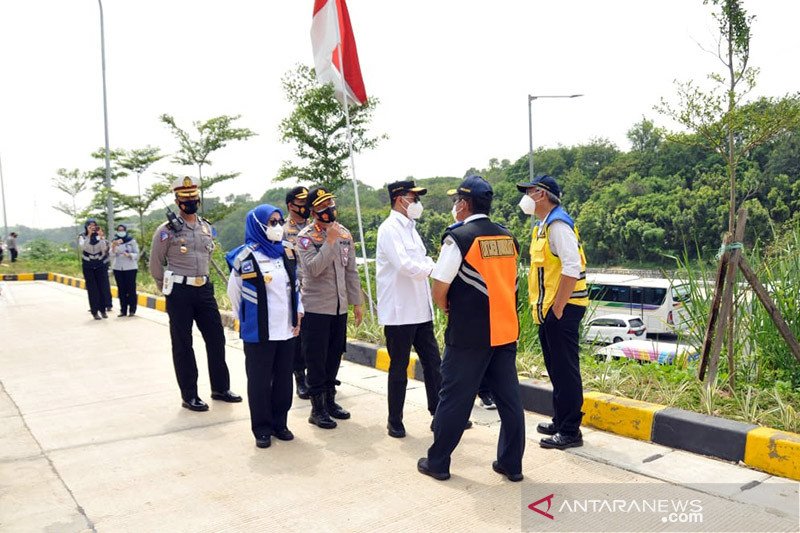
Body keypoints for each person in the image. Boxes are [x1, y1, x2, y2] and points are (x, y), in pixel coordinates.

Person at [418, 175, 525, 482]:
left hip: (470, 335)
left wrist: (447, 307)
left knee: (454, 398)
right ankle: (511, 464)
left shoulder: (460, 238)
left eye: (456, 201)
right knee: (510, 401)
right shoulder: (507, 237)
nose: (454, 206)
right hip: (505, 331)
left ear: (464, 204)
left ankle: (438, 462)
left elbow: (440, 287)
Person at [149, 176, 241, 412]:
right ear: (177, 201)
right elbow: (156, 264)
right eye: (185, 198)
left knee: (216, 338)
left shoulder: (205, 226)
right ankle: (189, 394)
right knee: (183, 343)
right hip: (179, 290)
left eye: (193, 197)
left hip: (204, 289)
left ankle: (220, 388)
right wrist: (167, 288)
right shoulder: (166, 231)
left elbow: (208, 255)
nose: (190, 202)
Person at [517, 175, 589, 450]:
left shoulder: (558, 224)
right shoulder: (543, 226)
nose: (526, 196)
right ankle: (561, 420)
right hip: (550, 311)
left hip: (563, 310)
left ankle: (571, 431)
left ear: (543, 195)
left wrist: (558, 307)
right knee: (556, 369)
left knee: (566, 370)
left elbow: (572, 267)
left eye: (530, 191)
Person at [227, 204, 303, 449]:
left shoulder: (287, 252)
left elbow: (296, 286)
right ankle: (261, 428)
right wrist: (250, 318)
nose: (278, 226)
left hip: (286, 329)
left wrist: (298, 312)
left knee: (283, 380)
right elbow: (235, 294)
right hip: (259, 332)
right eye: (271, 222)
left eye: (279, 221)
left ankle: (280, 423)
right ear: (258, 225)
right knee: (259, 381)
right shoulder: (245, 256)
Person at [376, 180, 443, 438]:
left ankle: (439, 414)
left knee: (433, 363)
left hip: (420, 308)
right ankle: (395, 419)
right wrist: (433, 269)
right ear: (399, 198)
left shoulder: (411, 229)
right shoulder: (389, 229)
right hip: (399, 310)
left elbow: (422, 258)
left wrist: (428, 266)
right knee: (399, 366)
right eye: (413, 198)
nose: (416, 203)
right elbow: (405, 265)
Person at [296, 186, 363, 429]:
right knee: (316, 359)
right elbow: (313, 269)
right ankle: (317, 408)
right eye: (323, 207)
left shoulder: (344, 233)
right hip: (316, 308)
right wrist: (329, 242)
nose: (329, 210)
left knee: (334, 355)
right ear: (313, 210)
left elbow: (350, 270)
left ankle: (331, 401)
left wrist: (357, 302)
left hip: (339, 308)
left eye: (331, 204)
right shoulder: (305, 237)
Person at [284, 186, 311, 400]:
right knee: (298, 336)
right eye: (301, 203)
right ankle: (300, 378)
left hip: (316, 289)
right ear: (291, 205)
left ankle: (316, 376)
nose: (305, 207)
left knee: (315, 335)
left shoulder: (314, 227)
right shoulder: (283, 230)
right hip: (296, 287)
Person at [79, 220, 111, 320]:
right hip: (88, 265)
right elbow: (84, 247)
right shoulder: (82, 237)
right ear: (86, 227)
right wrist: (88, 235)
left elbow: (103, 249)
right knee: (92, 289)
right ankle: (94, 311)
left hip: (99, 264)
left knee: (102, 288)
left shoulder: (99, 236)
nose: (92, 227)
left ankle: (103, 310)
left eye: (94, 226)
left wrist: (101, 238)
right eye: (90, 226)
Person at [111, 224, 139, 317]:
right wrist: (114, 246)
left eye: (122, 230)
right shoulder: (114, 241)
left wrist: (130, 255)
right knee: (121, 290)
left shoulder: (132, 241)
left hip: (130, 268)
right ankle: (123, 310)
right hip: (118, 268)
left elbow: (137, 254)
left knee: (131, 289)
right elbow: (111, 254)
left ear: (125, 231)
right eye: (119, 230)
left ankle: (132, 310)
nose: (121, 232)